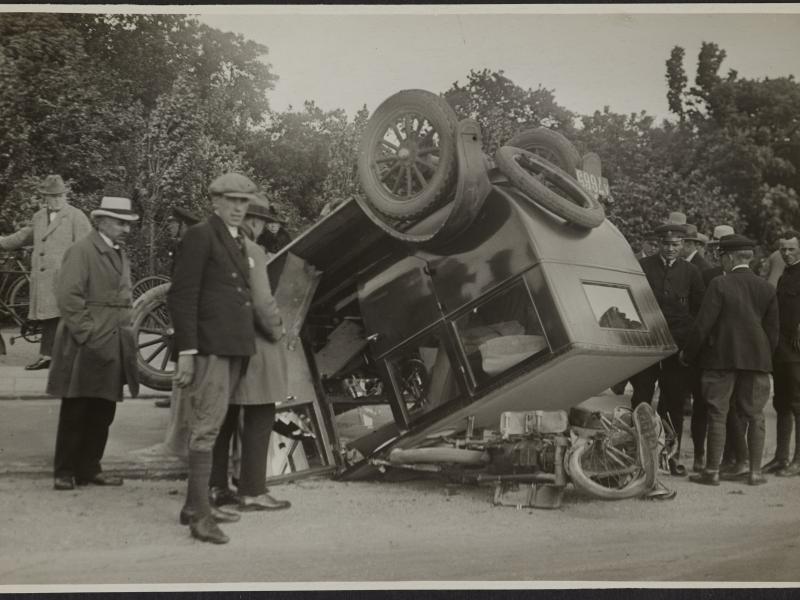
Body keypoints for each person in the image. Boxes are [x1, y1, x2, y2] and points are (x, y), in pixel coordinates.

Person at [167, 172, 259, 545]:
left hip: (233, 346)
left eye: (244, 202)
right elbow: (182, 295)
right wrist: (188, 352)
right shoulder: (201, 234)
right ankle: (200, 518)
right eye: (232, 201)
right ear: (215, 201)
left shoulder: (238, 239)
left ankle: (194, 504)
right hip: (210, 348)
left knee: (214, 425)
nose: (239, 208)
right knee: (206, 428)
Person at [47, 194, 140, 490]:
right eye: (119, 223)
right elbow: (68, 297)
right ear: (100, 220)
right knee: (77, 407)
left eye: (128, 224)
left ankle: (89, 467)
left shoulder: (117, 251)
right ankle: (64, 471)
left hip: (113, 342)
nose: (125, 229)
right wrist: (88, 334)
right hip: (84, 343)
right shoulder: (82, 250)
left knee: (103, 409)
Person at [209, 194, 291, 512]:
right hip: (255, 346)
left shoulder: (216, 247)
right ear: (253, 222)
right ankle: (253, 490)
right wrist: (278, 329)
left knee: (226, 415)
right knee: (260, 414)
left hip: (224, 345)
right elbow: (262, 303)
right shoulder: (252, 249)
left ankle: (217, 486)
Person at [681, 234, 779, 486]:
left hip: (721, 359)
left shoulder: (719, 284)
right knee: (756, 415)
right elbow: (773, 333)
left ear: (730, 257)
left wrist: (688, 354)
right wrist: (765, 358)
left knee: (717, 413)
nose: (720, 261)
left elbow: (703, 325)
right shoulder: (767, 288)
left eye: (721, 256)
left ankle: (712, 472)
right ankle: (755, 473)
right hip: (757, 360)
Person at [630, 222, 705, 476]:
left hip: (676, 349)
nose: (671, 249)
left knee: (673, 402)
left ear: (683, 245)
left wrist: (685, 344)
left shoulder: (692, 271)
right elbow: (632, 303)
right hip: (648, 345)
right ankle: (636, 457)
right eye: (666, 244)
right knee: (641, 398)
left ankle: (671, 457)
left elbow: (698, 310)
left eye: (676, 245)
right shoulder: (643, 267)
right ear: (657, 244)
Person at [0, 174, 91, 370]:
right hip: (44, 278)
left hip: (66, 276)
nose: (57, 199)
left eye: (60, 195)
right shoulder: (39, 217)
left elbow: (86, 248)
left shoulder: (76, 216)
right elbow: (23, 236)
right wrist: (2, 242)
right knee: (50, 317)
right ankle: (48, 355)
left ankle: (61, 357)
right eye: (53, 196)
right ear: (45, 198)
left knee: (64, 316)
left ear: (65, 195)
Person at [154, 206, 201, 409]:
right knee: (177, 349)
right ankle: (177, 395)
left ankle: (180, 397)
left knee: (183, 349)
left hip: (189, 307)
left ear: (184, 226)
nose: (170, 227)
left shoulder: (191, 246)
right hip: (180, 304)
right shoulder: (182, 245)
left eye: (174, 224)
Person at [764, 230, 800, 477]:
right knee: (781, 402)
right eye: (783, 249)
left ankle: (798, 460)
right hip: (781, 348)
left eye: (791, 249)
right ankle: (780, 458)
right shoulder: (785, 274)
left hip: (797, 351)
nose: (786, 253)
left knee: (798, 403)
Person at [681, 224, 712, 471]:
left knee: (701, 403)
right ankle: (701, 455)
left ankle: (701, 455)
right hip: (695, 342)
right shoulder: (701, 268)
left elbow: (701, 313)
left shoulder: (702, 270)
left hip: (697, 344)